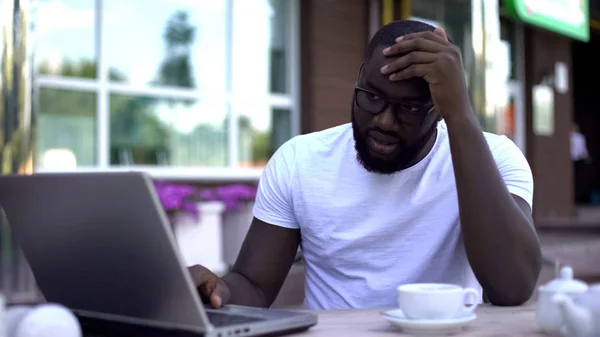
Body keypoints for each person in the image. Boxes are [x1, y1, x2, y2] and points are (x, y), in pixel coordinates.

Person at [189, 20, 541, 310]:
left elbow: (511, 287)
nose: (385, 121)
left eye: (410, 108)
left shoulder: (494, 159)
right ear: (359, 78)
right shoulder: (299, 161)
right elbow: (254, 285)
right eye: (371, 97)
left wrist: (462, 115)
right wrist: (217, 291)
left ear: (439, 110)